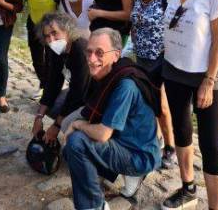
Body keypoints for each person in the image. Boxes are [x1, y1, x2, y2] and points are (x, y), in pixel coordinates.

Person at [161, 0, 218, 210]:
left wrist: (208, 81)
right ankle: (188, 188)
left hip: (205, 77)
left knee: (212, 145)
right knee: (181, 132)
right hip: (173, 71)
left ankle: (216, 207)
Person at [64, 28, 161, 210]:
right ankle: (105, 184)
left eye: (100, 53)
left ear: (116, 55)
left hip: (139, 155)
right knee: (69, 151)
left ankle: (94, 206)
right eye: (89, 52)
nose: (92, 59)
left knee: (77, 143)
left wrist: (77, 124)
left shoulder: (125, 85)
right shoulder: (108, 73)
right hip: (126, 142)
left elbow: (101, 135)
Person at [130, 0, 176, 169]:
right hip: (141, 59)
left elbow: (178, 28)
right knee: (147, 104)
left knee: (163, 107)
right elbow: (134, 25)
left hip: (161, 60)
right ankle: (152, 141)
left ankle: (170, 148)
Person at [32, 12, 93, 144]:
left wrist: (56, 125)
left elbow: (78, 93)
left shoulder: (80, 50)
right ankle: (70, 124)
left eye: (55, 33)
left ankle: (83, 135)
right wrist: (39, 116)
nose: (51, 40)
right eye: (47, 36)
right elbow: (53, 82)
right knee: (51, 107)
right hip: (78, 91)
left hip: (93, 96)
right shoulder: (58, 50)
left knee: (66, 119)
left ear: (67, 30)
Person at [23, 0, 62, 96]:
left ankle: (51, 89)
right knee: (37, 61)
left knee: (52, 60)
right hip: (34, 27)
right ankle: (44, 85)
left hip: (52, 30)